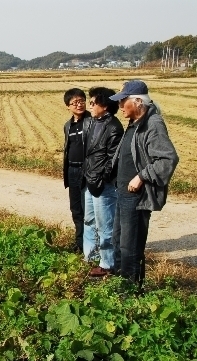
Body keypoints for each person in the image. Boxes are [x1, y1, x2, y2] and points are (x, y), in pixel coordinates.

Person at [109, 80, 179, 291]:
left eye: (123, 102)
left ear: (138, 102)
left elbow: (168, 159)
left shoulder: (153, 124)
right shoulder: (135, 122)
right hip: (122, 192)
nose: (120, 107)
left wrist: (141, 176)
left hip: (136, 196)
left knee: (130, 246)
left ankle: (129, 292)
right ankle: (119, 284)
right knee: (118, 242)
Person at [83, 87, 124, 277]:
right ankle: (93, 256)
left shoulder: (114, 127)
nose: (89, 106)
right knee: (90, 220)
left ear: (105, 106)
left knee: (105, 226)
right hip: (90, 180)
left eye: (93, 103)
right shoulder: (92, 122)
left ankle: (108, 265)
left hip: (103, 185)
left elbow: (112, 160)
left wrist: (101, 178)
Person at [62, 88, 90, 254]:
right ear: (68, 106)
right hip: (72, 170)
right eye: (75, 102)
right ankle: (80, 244)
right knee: (76, 210)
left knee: (89, 211)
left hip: (87, 171)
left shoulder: (91, 121)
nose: (79, 105)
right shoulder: (68, 126)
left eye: (82, 101)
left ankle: (91, 246)